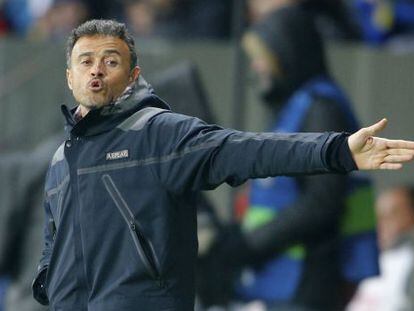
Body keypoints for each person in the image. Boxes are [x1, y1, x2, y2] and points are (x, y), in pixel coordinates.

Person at [31, 19, 414, 311]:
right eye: (86, 61)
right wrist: (48, 281)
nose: (96, 69)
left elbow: (248, 150)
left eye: (110, 61)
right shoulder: (62, 159)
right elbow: (53, 238)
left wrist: (339, 150)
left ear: (132, 77)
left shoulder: (161, 134)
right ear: (70, 77)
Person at [201, 4, 378, 310]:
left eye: (263, 57)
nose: (257, 67)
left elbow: (322, 202)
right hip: (285, 276)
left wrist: (249, 244)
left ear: (288, 51)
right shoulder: (296, 106)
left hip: (310, 277)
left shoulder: (321, 108)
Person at [347, 186, 414, 311]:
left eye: (390, 215)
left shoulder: (407, 260)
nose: (379, 223)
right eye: (376, 216)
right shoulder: (362, 260)